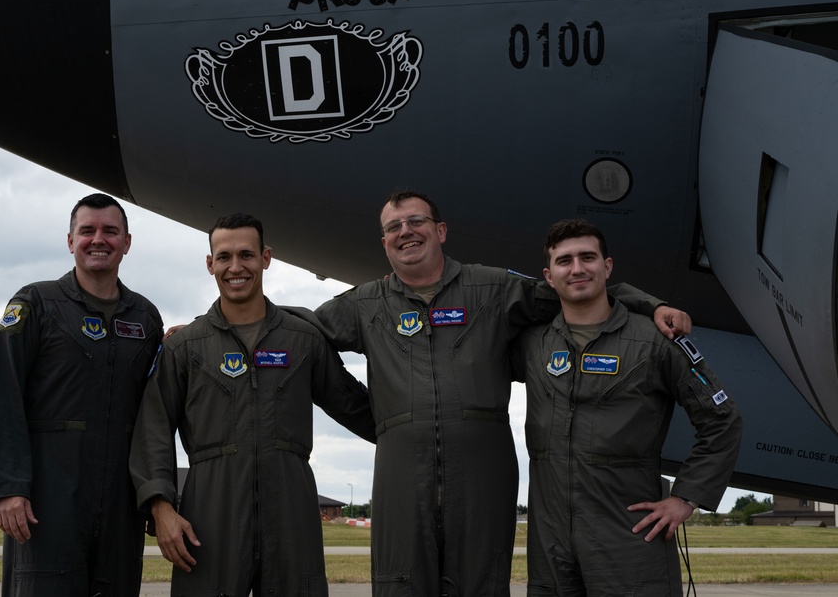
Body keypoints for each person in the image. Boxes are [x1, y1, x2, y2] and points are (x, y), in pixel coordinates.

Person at [309, 191, 691, 597]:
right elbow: (304, 341)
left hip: (483, 475)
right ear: (384, 243)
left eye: (416, 221)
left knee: (482, 585)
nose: (406, 232)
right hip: (401, 475)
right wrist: (376, 419)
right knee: (399, 585)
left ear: (440, 230)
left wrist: (648, 304)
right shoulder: (366, 303)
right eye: (393, 228)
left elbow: (576, 288)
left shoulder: (491, 286)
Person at [129, 213, 376, 595]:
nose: (235, 267)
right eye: (224, 257)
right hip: (209, 512)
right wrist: (161, 508)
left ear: (266, 257)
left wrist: (419, 427)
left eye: (246, 254)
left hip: (291, 512)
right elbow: (153, 430)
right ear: (210, 264)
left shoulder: (303, 340)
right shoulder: (184, 348)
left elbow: (357, 408)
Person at [513, 218, 742, 596]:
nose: (577, 268)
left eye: (588, 257)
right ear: (549, 277)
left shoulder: (656, 341)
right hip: (551, 542)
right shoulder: (532, 343)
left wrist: (686, 498)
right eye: (564, 261)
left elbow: (722, 418)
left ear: (607, 266)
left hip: (629, 536)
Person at [0, 193, 163, 596]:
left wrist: (157, 494)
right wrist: (9, 487)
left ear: (127, 243)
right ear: (70, 241)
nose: (99, 239)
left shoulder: (145, 318)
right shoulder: (36, 304)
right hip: (48, 505)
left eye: (110, 231)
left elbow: (156, 416)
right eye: (88, 231)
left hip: (120, 507)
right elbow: (1, 395)